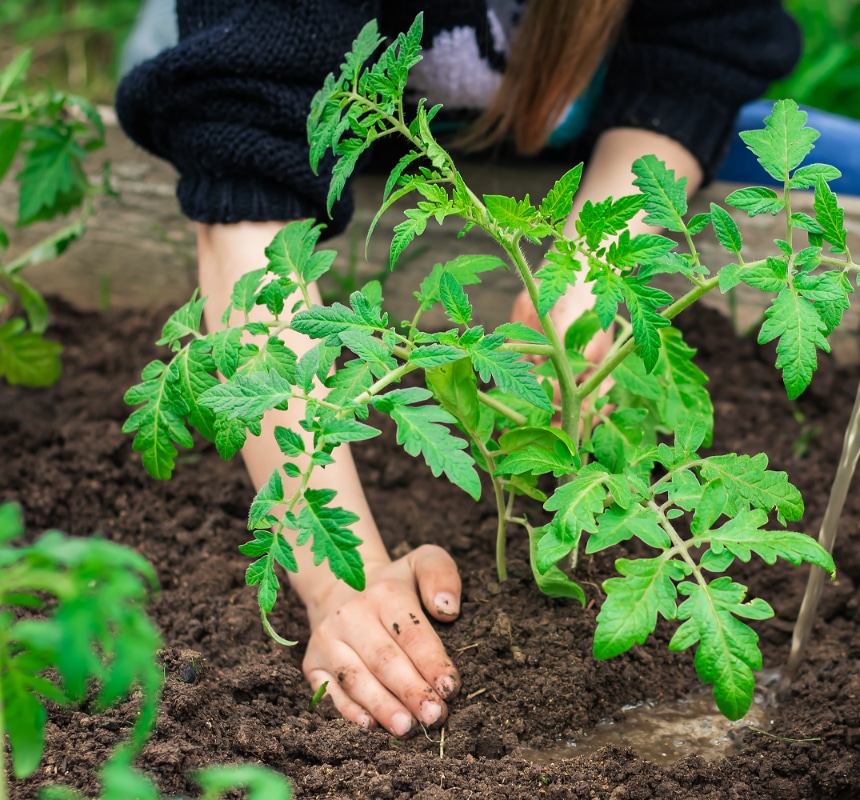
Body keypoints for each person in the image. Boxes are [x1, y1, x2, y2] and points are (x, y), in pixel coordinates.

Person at [116, 0, 801, 739]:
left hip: (568, 118)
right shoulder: (259, 81)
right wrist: (342, 579)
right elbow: (248, 193)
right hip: (276, 91)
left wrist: (585, 281)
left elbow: (694, 53)